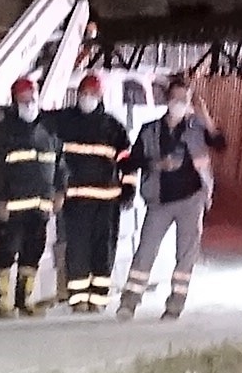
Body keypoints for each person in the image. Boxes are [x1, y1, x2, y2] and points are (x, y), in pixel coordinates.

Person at [119, 74, 227, 320]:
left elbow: (220, 143)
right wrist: (156, 164)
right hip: (159, 201)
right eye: (176, 98)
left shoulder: (197, 128)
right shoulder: (150, 131)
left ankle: (175, 305)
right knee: (146, 250)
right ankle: (129, 302)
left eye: (184, 99)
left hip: (192, 199)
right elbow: (131, 161)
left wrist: (207, 118)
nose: (180, 103)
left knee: (186, 255)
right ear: (167, 100)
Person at [44, 72, 135, 313]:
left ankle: (98, 300)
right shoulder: (65, 121)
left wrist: (128, 190)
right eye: (83, 94)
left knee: (103, 251)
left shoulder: (113, 127)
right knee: (77, 251)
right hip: (75, 202)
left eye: (92, 94)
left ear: (100, 96)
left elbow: (127, 161)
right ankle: (78, 300)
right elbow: (40, 123)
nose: (87, 98)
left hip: (107, 203)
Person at [0, 77, 62, 317]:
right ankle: (2, 304)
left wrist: (60, 191)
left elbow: (60, 163)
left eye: (32, 99)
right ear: (14, 102)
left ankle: (24, 301)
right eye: (24, 100)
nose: (29, 105)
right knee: (6, 252)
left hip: (40, 207)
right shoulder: (2, 133)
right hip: (12, 208)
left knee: (32, 254)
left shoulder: (49, 131)